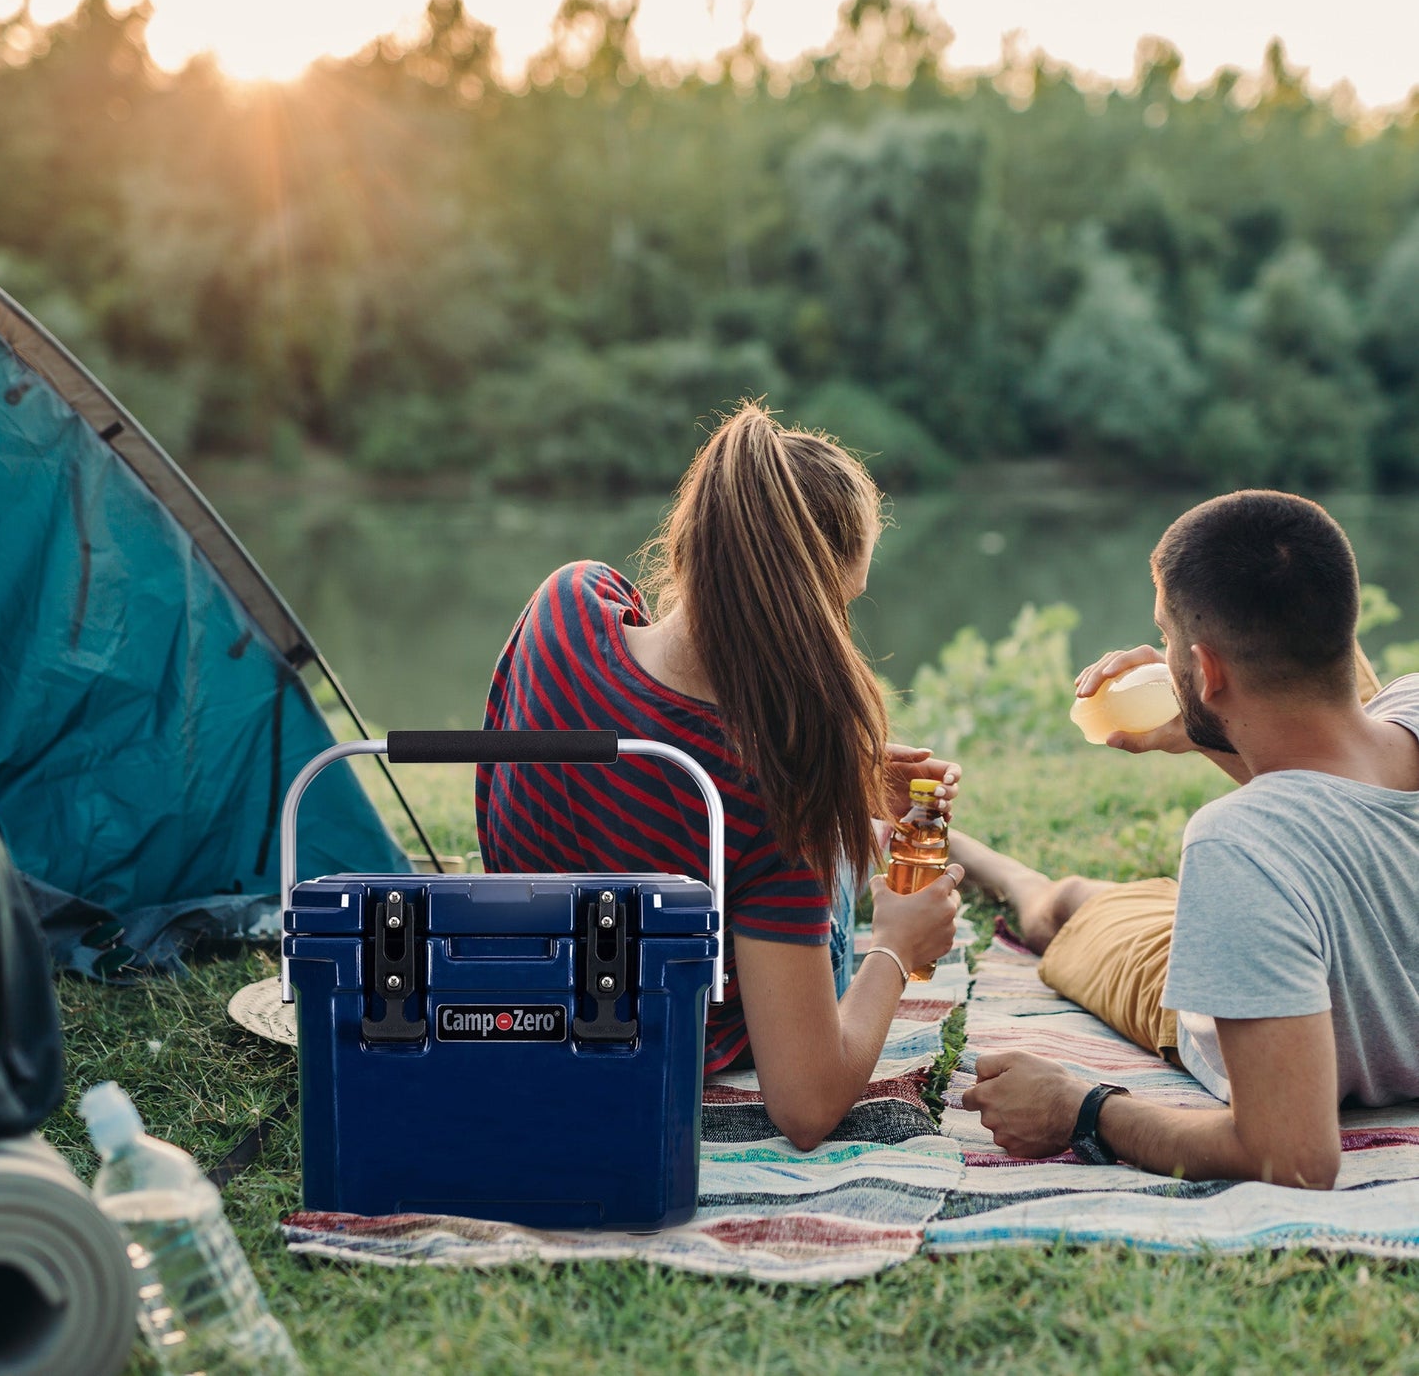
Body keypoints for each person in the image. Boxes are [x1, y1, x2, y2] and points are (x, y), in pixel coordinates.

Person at [477, 402, 965, 1150]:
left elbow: (651, 733)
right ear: (806, 604)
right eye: (841, 603)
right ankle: (864, 852)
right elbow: (804, 1105)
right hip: (665, 1028)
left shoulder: (566, 604)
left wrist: (851, 778)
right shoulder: (776, 783)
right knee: (840, 864)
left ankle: (859, 835)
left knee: (819, 836)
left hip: (534, 979)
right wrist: (896, 947)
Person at [956, 489, 1419, 1188]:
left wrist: (1080, 1110)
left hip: (1215, 1003)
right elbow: (1339, 788)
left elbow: (1291, 1154)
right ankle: (964, 848)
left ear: (1204, 670)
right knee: (1092, 898)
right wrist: (1206, 723)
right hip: (1299, 918)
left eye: (1166, 639)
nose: (1160, 656)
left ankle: (972, 854)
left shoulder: (1237, 846)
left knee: (1062, 908)